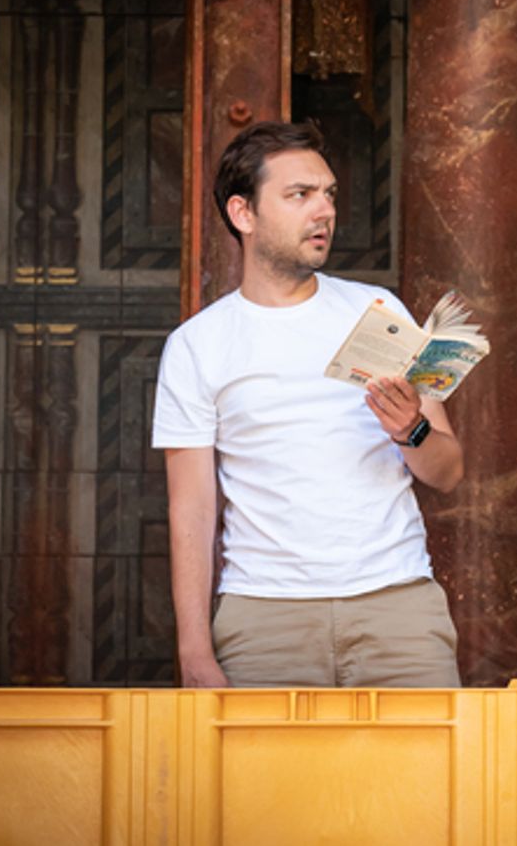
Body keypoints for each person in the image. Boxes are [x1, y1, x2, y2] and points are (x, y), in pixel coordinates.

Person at [153, 121, 464, 689]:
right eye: (300, 195)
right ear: (243, 214)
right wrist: (194, 652)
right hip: (264, 617)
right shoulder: (196, 346)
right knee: (266, 781)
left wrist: (411, 430)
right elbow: (191, 511)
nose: (324, 211)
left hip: (399, 609)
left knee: (424, 778)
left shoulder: (379, 309)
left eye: (329, 194)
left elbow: (448, 471)